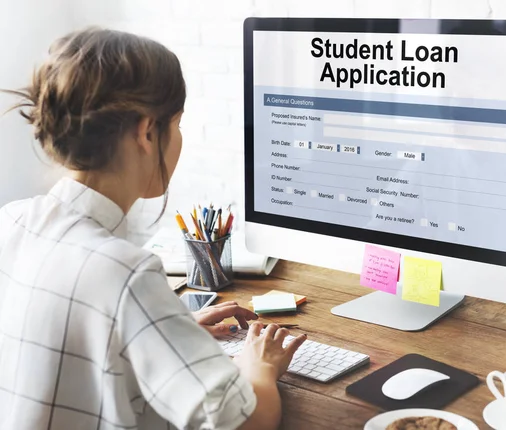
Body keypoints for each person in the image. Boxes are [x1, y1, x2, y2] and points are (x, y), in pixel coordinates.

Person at [0, 27, 306, 430]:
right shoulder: (125, 273)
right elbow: (247, 421)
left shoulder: (11, 221)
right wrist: (259, 366)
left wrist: (164, 329)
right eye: (176, 124)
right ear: (147, 132)